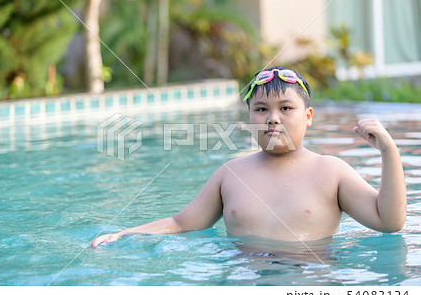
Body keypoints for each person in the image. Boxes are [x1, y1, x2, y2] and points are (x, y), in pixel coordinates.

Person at [90, 66, 407, 248]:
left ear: (308, 115)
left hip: (308, 281)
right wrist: (123, 234)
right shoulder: (230, 174)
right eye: (261, 109)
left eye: (285, 108)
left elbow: (389, 222)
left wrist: (388, 152)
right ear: (249, 118)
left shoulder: (331, 172)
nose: (273, 118)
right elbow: (180, 222)